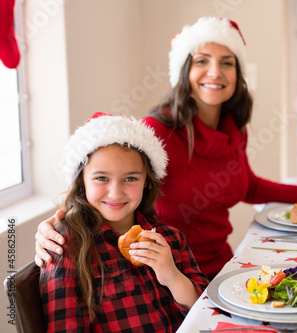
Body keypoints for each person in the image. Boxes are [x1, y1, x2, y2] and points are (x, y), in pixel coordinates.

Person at [35, 17, 297, 280]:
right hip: (168, 273)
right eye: (202, 61)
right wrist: (55, 224)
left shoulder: (234, 128)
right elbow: (108, 188)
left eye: (227, 63)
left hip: (224, 265)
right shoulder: (156, 132)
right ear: (184, 71)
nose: (215, 72)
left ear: (238, 74)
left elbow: (248, 185)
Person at [40, 113, 209, 332]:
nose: (116, 193)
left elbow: (207, 314)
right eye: (101, 178)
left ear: (147, 182)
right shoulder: (66, 246)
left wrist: (173, 277)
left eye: (130, 179)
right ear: (82, 180)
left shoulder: (172, 239)